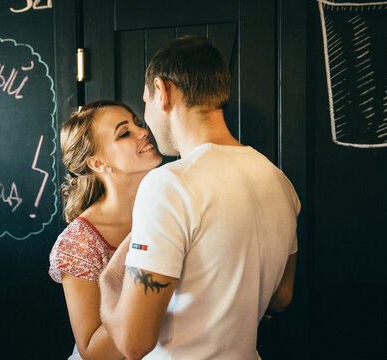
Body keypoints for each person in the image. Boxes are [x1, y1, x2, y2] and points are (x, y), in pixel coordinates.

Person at [99, 36, 300, 360]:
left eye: (145, 103)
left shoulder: (168, 184)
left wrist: (109, 279)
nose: (146, 121)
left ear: (162, 91)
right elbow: (282, 297)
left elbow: (133, 342)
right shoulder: (279, 181)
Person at [48, 100, 162, 360]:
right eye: (124, 133)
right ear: (98, 163)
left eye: (138, 123)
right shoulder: (79, 242)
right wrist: (146, 293)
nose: (143, 131)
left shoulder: (170, 207)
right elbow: (93, 354)